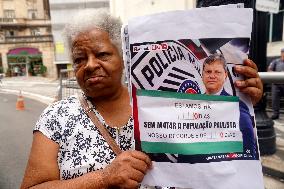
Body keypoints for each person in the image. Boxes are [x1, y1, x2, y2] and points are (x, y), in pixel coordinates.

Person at [21, 10, 263, 189]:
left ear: (124, 56)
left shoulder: (166, 102)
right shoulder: (56, 117)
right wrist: (103, 178)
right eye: (79, 59)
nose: (90, 65)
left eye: (102, 54)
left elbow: (217, 155)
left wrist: (243, 96)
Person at [202, 53, 257, 157]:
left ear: (225, 76)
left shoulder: (239, 108)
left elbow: (248, 155)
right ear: (202, 75)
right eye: (208, 71)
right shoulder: (191, 106)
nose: (212, 76)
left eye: (217, 72)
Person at [267, 48, 284, 120]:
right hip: (276, 84)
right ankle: (275, 114)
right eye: (283, 52)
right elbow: (269, 70)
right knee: (275, 99)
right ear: (281, 53)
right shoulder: (275, 61)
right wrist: (278, 74)